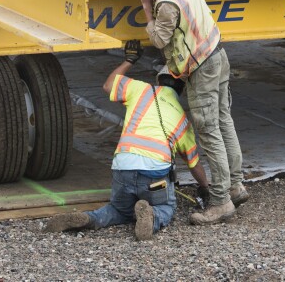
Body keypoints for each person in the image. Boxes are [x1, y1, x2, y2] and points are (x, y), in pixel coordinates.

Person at [119, 0, 247, 225]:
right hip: (217, 53)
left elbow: (159, 40)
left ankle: (220, 202)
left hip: (200, 66)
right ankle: (236, 185)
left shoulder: (165, 4)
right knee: (223, 121)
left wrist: (146, 8)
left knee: (209, 131)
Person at [45, 42, 209, 240]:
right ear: (181, 89)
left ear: (158, 80)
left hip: (123, 167)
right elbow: (194, 164)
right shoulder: (183, 121)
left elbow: (108, 85)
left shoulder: (140, 90)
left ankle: (89, 219)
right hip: (154, 174)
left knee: (118, 210)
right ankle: (153, 216)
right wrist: (206, 188)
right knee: (166, 206)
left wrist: (129, 60)